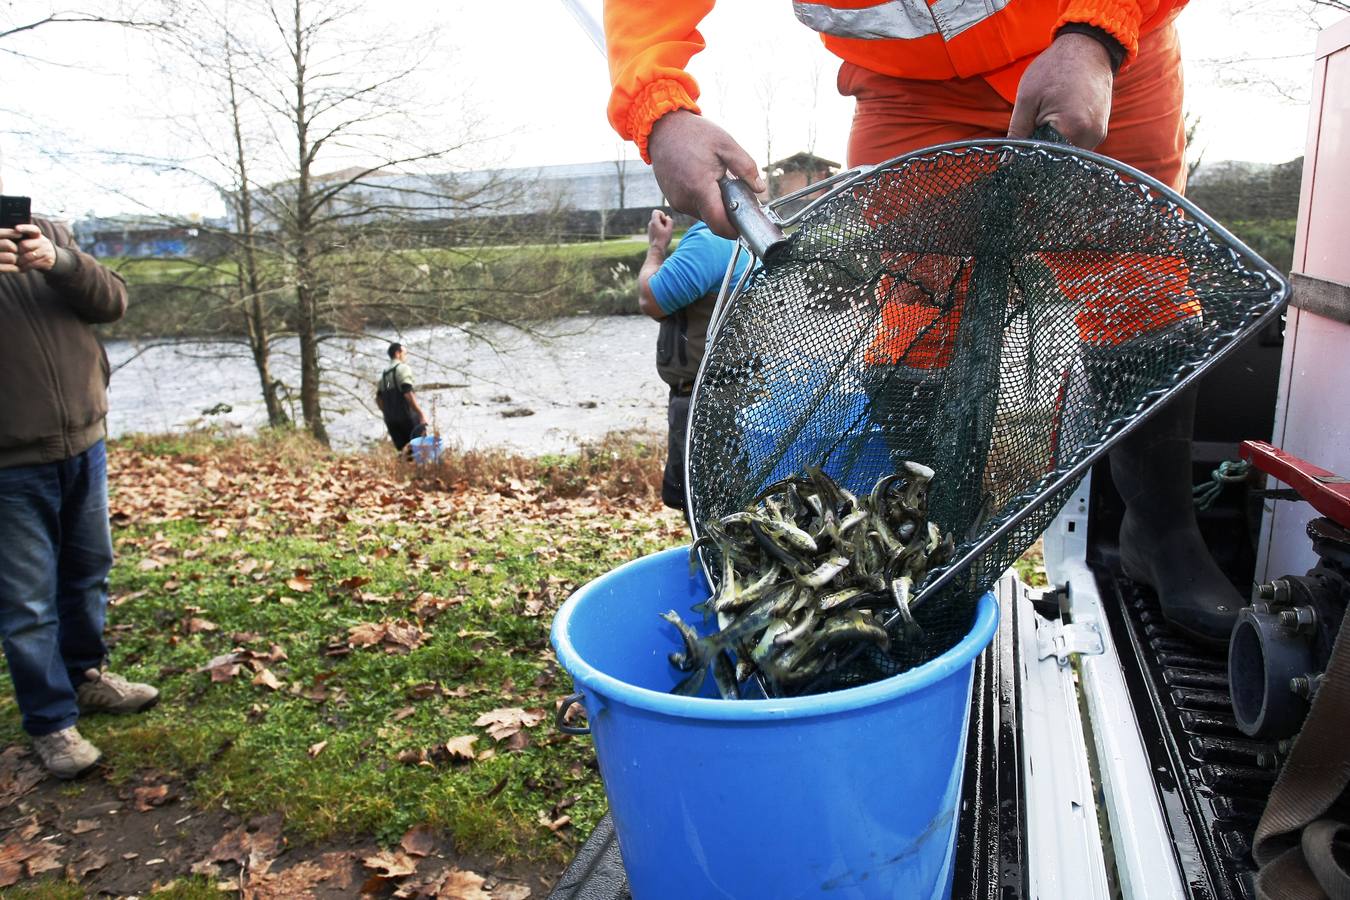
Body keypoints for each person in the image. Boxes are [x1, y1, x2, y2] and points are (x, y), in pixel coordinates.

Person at [601, 0, 1242, 645]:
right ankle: (922, 556)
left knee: (1140, 286)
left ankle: (1163, 534)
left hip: (1090, 46)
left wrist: (1096, 31)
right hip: (910, 90)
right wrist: (659, 109)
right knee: (914, 321)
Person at [0, 201, 159, 780]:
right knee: (26, 603)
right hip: (9, 462)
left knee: (88, 568)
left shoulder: (45, 231)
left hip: (82, 441)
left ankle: (86, 676)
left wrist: (60, 261)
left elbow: (112, 301)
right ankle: (50, 723)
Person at [638, 209, 751, 517]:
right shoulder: (747, 232)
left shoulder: (711, 239)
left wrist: (657, 247)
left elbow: (651, 299)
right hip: (736, 394)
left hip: (708, 404)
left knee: (709, 515)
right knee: (729, 509)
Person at [375, 342, 428, 453]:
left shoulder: (384, 376)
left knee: (405, 454)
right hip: (407, 418)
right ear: (398, 353)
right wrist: (421, 414)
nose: (406, 357)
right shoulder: (403, 368)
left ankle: (406, 470)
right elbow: (407, 392)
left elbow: (378, 399)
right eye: (405, 353)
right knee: (420, 451)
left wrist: (386, 412)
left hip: (391, 421)